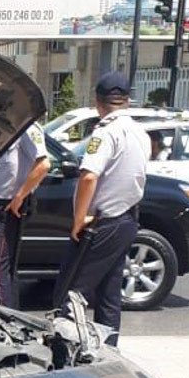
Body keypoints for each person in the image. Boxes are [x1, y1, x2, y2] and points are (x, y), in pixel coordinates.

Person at [53, 71, 150, 346]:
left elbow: (89, 176)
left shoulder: (106, 133)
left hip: (102, 223)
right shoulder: (140, 133)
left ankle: (63, 353)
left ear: (98, 101)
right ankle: (109, 352)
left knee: (72, 293)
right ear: (127, 101)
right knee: (109, 295)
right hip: (127, 220)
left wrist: (78, 218)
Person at [0, 123, 49, 308]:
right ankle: (13, 319)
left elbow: (44, 164)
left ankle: (6, 325)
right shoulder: (9, 126)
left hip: (9, 205)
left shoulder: (27, 127)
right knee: (5, 270)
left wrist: (20, 196)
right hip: (0, 202)